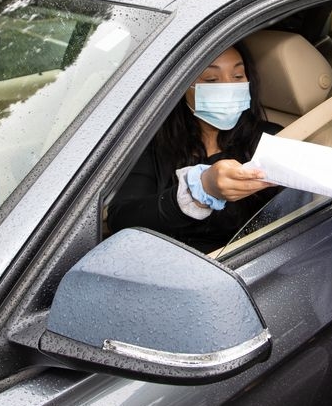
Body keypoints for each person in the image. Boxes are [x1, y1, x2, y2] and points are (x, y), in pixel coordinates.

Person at [106, 43, 280, 254]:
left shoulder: (271, 139)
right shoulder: (155, 141)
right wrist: (198, 190)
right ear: (183, 87)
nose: (228, 87)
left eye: (237, 76)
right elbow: (121, 219)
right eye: (211, 80)